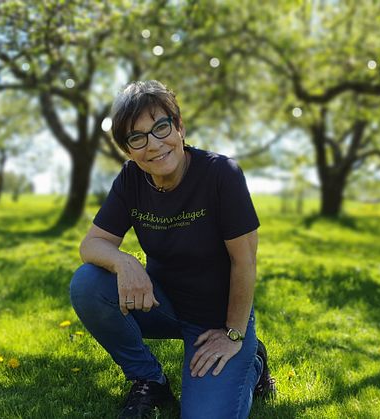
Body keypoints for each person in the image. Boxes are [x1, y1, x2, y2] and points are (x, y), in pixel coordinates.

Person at [70, 80, 275, 419]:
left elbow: (244, 261)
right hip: (162, 304)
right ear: (128, 150)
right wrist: (123, 262)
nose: (153, 144)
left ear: (179, 127)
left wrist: (234, 333)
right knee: (88, 284)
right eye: (138, 137)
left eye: (161, 127)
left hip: (218, 320)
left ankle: (251, 363)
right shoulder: (131, 179)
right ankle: (149, 379)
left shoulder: (221, 174)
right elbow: (91, 244)